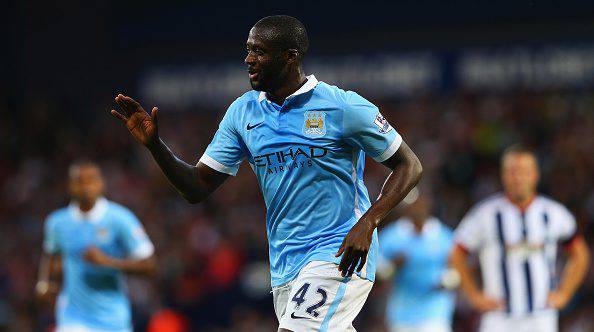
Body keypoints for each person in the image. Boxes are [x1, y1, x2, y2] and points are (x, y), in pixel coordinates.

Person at [110, 15, 422, 332]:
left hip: (338, 251)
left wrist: (368, 222)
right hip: (286, 265)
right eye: (248, 50)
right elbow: (196, 187)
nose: (248, 59)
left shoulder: (342, 106)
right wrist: (155, 146)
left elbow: (410, 165)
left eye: (258, 51)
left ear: (290, 56)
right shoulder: (243, 112)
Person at [450, 145, 590, 332]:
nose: (518, 178)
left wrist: (564, 293)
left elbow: (580, 254)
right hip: (499, 317)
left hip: (540, 317)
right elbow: (457, 252)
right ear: (503, 175)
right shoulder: (484, 215)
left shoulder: (554, 213)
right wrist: (474, 295)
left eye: (524, 171)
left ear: (535, 175)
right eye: (512, 172)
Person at [36, 161, 156, 332]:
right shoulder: (57, 223)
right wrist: (44, 283)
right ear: (70, 186)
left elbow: (150, 266)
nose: (85, 187)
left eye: (90, 180)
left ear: (101, 184)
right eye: (79, 181)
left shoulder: (120, 219)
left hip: (113, 319)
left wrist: (108, 262)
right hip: (73, 317)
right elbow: (50, 253)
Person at [379, 192, 456, 332]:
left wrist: (446, 280)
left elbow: (457, 271)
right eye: (414, 204)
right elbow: (376, 273)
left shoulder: (444, 236)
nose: (418, 208)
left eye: (421, 203)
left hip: (435, 312)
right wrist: (393, 266)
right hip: (401, 313)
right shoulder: (392, 236)